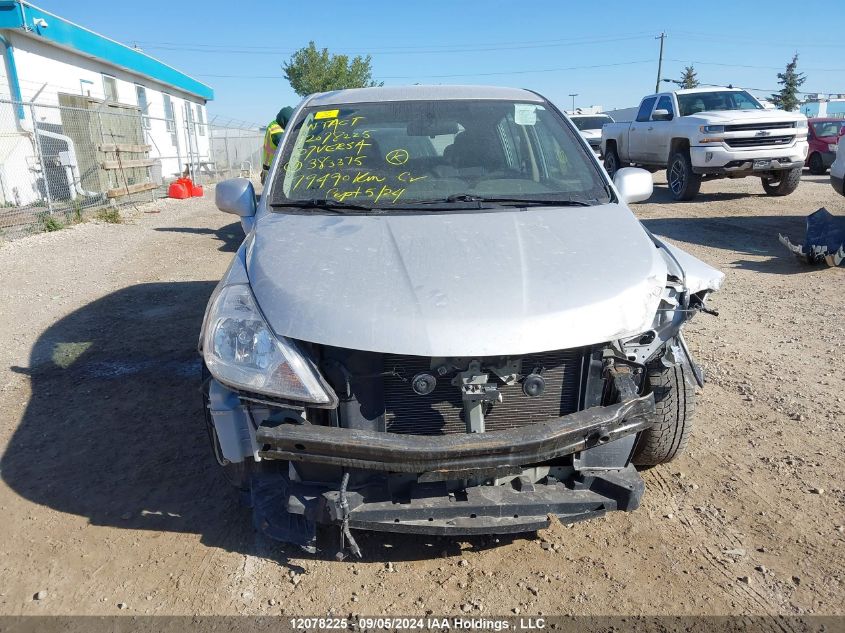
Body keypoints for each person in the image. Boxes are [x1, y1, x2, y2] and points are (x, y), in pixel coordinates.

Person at [261, 106, 293, 184]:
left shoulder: (275, 124)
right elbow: (288, 147)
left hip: (271, 167)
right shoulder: (277, 130)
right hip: (273, 170)